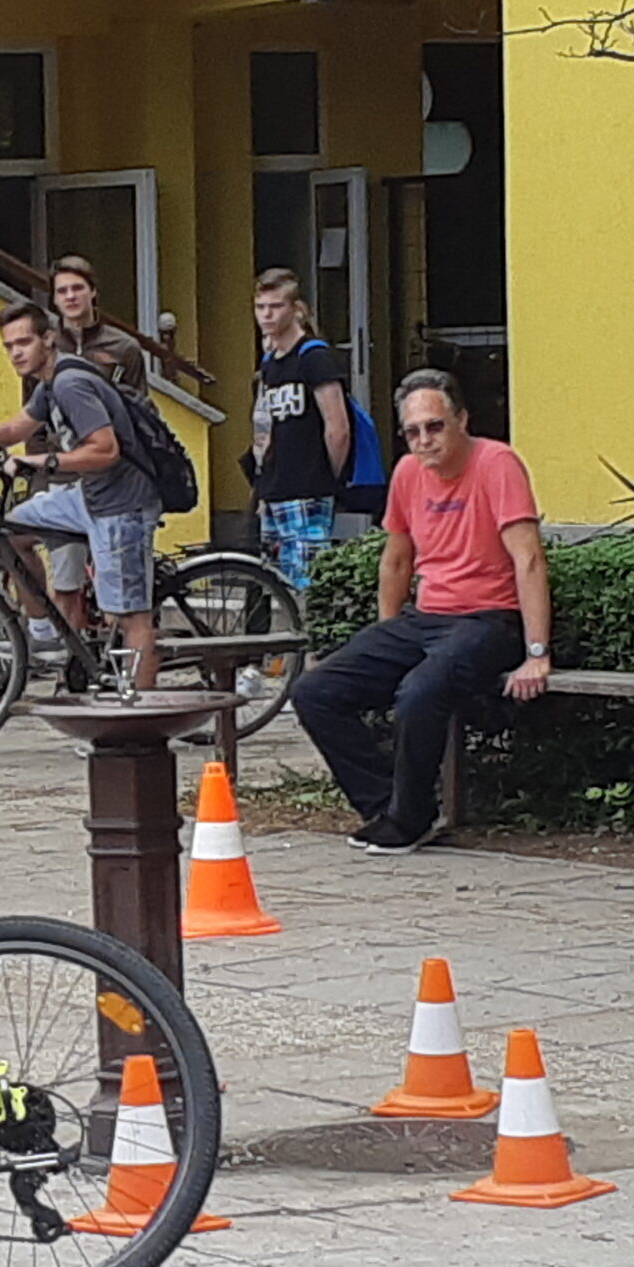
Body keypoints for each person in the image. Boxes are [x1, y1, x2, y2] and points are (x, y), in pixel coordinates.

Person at [292, 371, 552, 855]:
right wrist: (387, 633)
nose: (424, 440)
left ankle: (409, 819)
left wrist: (537, 652)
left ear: (462, 421)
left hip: (490, 619)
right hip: (424, 618)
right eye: (413, 432)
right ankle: (386, 806)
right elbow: (396, 560)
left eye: (435, 426)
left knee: (419, 693)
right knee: (315, 690)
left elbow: (529, 558)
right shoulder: (409, 474)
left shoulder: (498, 464)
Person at [0, 301, 162, 688]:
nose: (16, 352)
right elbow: (15, 430)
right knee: (9, 531)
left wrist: (40, 462)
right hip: (88, 496)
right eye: (8, 346)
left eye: (24, 342)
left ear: (49, 339)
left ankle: (141, 722)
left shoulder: (71, 384)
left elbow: (105, 450)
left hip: (123, 503)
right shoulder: (49, 384)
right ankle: (43, 633)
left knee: (131, 616)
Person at [45, 256, 156, 644]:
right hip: (63, 477)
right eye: (62, 291)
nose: (71, 296)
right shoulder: (47, 345)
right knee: (66, 581)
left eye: (78, 288)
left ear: (93, 291)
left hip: (114, 481)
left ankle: (123, 671)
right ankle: (72, 664)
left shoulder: (122, 347)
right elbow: (36, 414)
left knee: (119, 595)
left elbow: (143, 414)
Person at [248, 267, 352, 594]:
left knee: (308, 582)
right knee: (277, 583)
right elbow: (264, 427)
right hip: (274, 487)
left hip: (308, 486)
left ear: (295, 309)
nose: (267, 314)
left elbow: (338, 427)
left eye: (276, 306)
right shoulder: (270, 362)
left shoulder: (314, 358)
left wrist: (326, 478)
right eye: (261, 306)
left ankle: (310, 644)